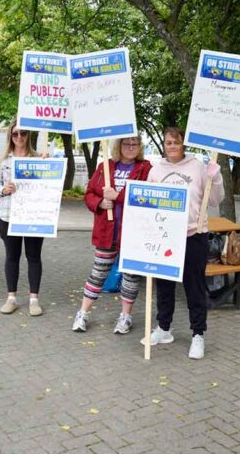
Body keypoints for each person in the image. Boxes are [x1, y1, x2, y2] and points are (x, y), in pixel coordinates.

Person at [143, 126, 224, 359]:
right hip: (165, 235)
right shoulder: (156, 170)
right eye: (168, 143)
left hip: (194, 235)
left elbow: (216, 199)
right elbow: (147, 202)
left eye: (176, 142)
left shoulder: (198, 167)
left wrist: (215, 177)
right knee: (164, 285)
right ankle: (164, 328)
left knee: (194, 286)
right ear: (164, 145)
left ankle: (198, 334)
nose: (172, 147)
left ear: (183, 144)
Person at [72, 136, 152, 334]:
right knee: (98, 274)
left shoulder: (147, 169)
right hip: (107, 232)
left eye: (135, 144)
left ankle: (125, 317)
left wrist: (119, 196)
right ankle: (83, 313)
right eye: (127, 143)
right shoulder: (105, 167)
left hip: (132, 233)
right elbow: (89, 193)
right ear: (119, 146)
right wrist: (99, 202)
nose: (131, 147)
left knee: (130, 276)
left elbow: (147, 196)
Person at [0, 124, 45, 316]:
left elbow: (51, 184)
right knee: (12, 257)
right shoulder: (2, 161)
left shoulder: (39, 158)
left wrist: (49, 166)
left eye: (23, 133)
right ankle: (11, 298)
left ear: (29, 135)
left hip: (33, 217)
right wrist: (3, 190)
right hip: (8, 215)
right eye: (15, 133)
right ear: (10, 136)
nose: (19, 136)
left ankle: (34, 299)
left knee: (34, 257)